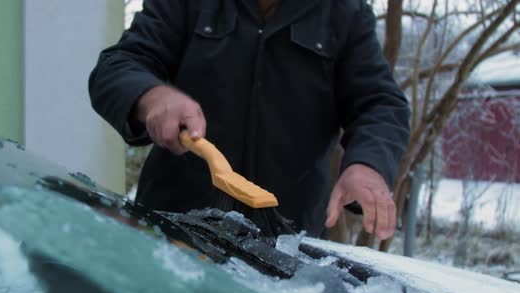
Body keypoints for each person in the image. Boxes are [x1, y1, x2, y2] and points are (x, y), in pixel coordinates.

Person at [88, 0, 410, 241]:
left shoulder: (344, 11)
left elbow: (381, 104)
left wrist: (368, 165)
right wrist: (152, 96)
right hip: (171, 235)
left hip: (288, 251)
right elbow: (118, 66)